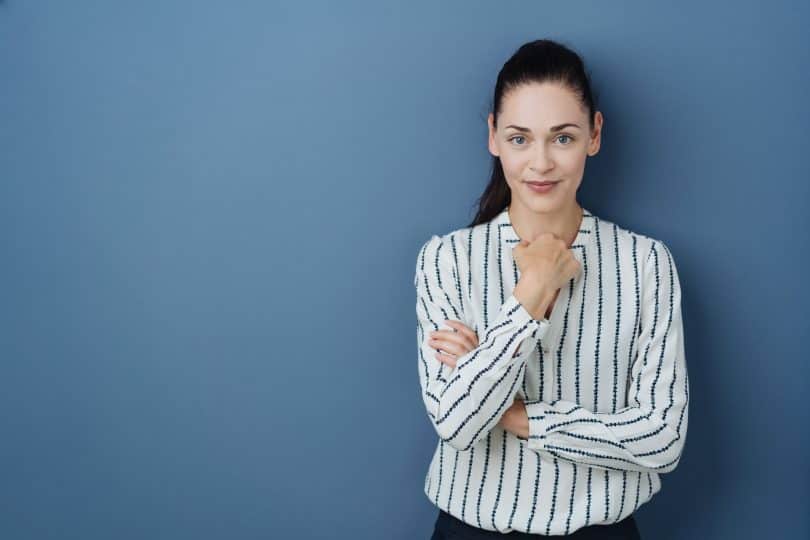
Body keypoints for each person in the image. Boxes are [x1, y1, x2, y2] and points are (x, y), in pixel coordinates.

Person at [413, 39, 689, 539]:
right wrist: (532, 293)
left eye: (562, 138)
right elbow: (456, 424)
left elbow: (662, 439)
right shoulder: (448, 259)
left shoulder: (646, 263)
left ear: (594, 134)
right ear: (493, 137)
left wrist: (523, 419)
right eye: (520, 138)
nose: (540, 163)